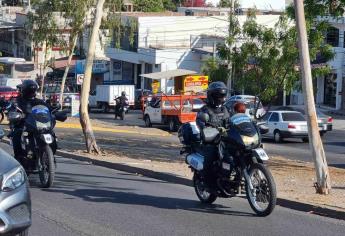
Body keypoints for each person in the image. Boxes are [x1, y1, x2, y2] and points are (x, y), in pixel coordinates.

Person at [196, 81, 230, 188]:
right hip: (211, 141)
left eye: (222, 95)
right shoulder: (205, 110)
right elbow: (200, 123)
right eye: (218, 95)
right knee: (211, 155)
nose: (221, 98)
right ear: (211, 96)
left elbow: (233, 120)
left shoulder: (226, 109)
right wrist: (208, 129)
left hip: (226, 139)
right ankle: (208, 183)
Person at [11, 80, 50, 169]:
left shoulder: (39, 101)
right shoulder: (18, 101)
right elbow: (12, 110)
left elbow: (48, 109)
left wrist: (54, 110)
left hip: (37, 125)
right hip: (23, 125)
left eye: (32, 91)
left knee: (51, 132)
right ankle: (19, 157)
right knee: (17, 134)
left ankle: (48, 156)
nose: (31, 93)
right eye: (30, 91)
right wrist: (15, 114)